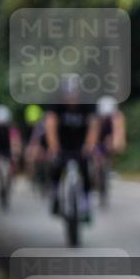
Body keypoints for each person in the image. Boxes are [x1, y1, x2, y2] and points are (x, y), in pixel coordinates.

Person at [45, 79, 99, 220]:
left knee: (86, 169)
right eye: (68, 94)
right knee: (56, 166)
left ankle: (86, 203)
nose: (71, 97)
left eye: (74, 94)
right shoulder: (56, 106)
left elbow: (93, 127)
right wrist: (54, 147)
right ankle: (56, 194)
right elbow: (51, 126)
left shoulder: (88, 104)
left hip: (81, 144)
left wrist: (89, 146)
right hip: (63, 144)